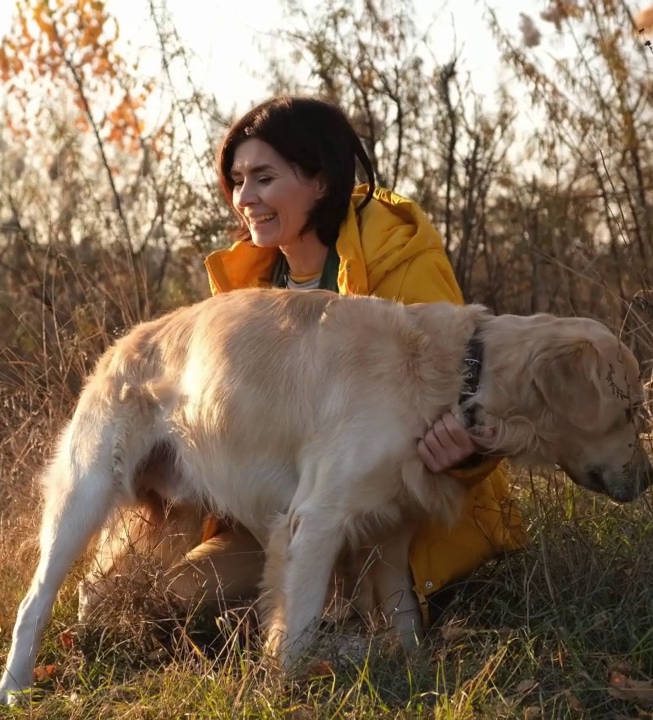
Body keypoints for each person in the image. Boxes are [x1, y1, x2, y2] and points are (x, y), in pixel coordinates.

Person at [163, 95, 525, 630]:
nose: (245, 198)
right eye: (237, 180)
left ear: (322, 181)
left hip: (392, 525)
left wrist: (465, 452)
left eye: (263, 178)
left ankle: (333, 630)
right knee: (162, 596)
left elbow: (479, 394)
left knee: (362, 626)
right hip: (278, 514)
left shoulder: (399, 261)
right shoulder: (245, 287)